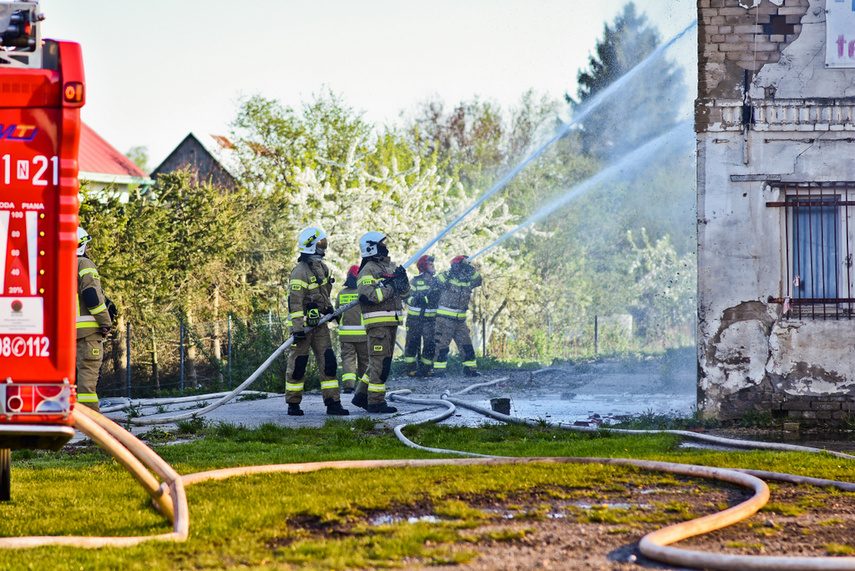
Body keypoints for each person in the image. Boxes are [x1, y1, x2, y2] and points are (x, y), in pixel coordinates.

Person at [285, 227, 348, 416]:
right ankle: (293, 404)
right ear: (311, 246)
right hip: (303, 328)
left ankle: (333, 403)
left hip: (320, 326)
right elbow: (295, 303)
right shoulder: (299, 272)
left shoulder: (322, 267)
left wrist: (330, 310)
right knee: (298, 364)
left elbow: (323, 294)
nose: (324, 247)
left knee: (328, 361)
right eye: (321, 243)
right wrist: (297, 330)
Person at [351, 231, 409, 413]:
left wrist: (403, 280)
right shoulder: (368, 270)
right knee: (379, 365)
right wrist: (392, 286)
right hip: (378, 325)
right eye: (381, 244)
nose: (385, 246)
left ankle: (361, 396)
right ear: (371, 248)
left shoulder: (388, 267)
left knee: (379, 364)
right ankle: (376, 402)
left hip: (390, 323)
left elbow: (406, 295)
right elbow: (368, 296)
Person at [76, 227, 114, 412]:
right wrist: (105, 321)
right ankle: (90, 423)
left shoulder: (54, 264)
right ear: (81, 245)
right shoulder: (84, 264)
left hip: (62, 334)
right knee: (87, 380)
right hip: (87, 334)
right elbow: (91, 295)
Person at [431, 255, 482, 378]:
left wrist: (471, 269)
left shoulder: (467, 279)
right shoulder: (448, 276)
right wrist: (452, 270)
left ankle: (470, 370)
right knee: (442, 345)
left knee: (466, 344)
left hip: (460, 320)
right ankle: (439, 371)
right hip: (445, 319)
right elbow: (437, 281)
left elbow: (478, 280)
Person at [334, 265, 368, 394]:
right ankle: (365, 386)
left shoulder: (341, 294)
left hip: (346, 335)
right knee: (365, 360)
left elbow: (337, 314)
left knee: (348, 360)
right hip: (363, 335)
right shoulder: (363, 292)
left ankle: (348, 386)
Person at [403, 254, 437, 377]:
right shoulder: (415, 281)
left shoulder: (436, 282)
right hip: (414, 319)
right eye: (430, 264)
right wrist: (415, 299)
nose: (433, 266)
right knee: (412, 344)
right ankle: (411, 369)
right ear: (423, 267)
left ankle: (425, 369)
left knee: (430, 345)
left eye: (433, 263)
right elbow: (406, 298)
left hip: (430, 320)